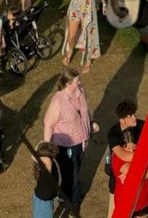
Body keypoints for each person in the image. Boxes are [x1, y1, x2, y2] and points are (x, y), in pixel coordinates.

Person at [43, 67, 98, 208]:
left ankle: (64, 194)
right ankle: (73, 202)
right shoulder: (58, 102)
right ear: (68, 84)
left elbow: (86, 110)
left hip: (81, 142)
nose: (80, 82)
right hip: (65, 146)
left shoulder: (80, 91)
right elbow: (48, 124)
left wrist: (91, 122)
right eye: (76, 81)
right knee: (72, 174)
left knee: (74, 170)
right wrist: (46, 149)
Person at [105, 98, 145, 216]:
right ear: (122, 120)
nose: (134, 118)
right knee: (114, 211)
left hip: (136, 174)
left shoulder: (141, 125)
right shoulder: (113, 133)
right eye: (130, 116)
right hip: (117, 176)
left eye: (134, 114)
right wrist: (144, 154)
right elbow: (123, 156)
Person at [109, 127, 148, 218]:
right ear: (121, 147)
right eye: (127, 148)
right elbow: (138, 172)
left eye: (134, 147)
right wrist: (147, 159)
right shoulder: (117, 158)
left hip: (143, 201)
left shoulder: (146, 153)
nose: (131, 151)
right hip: (124, 204)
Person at [62, 0, 101, 71]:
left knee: (87, 34)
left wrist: (103, 3)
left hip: (88, 6)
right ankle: (69, 52)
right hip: (75, 5)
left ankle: (88, 60)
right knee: (71, 35)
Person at [32, 140, 61, 218]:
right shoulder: (47, 164)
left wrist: (40, 146)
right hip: (43, 202)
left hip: (44, 199)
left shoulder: (45, 164)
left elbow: (34, 155)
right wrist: (41, 143)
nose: (56, 154)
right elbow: (33, 156)